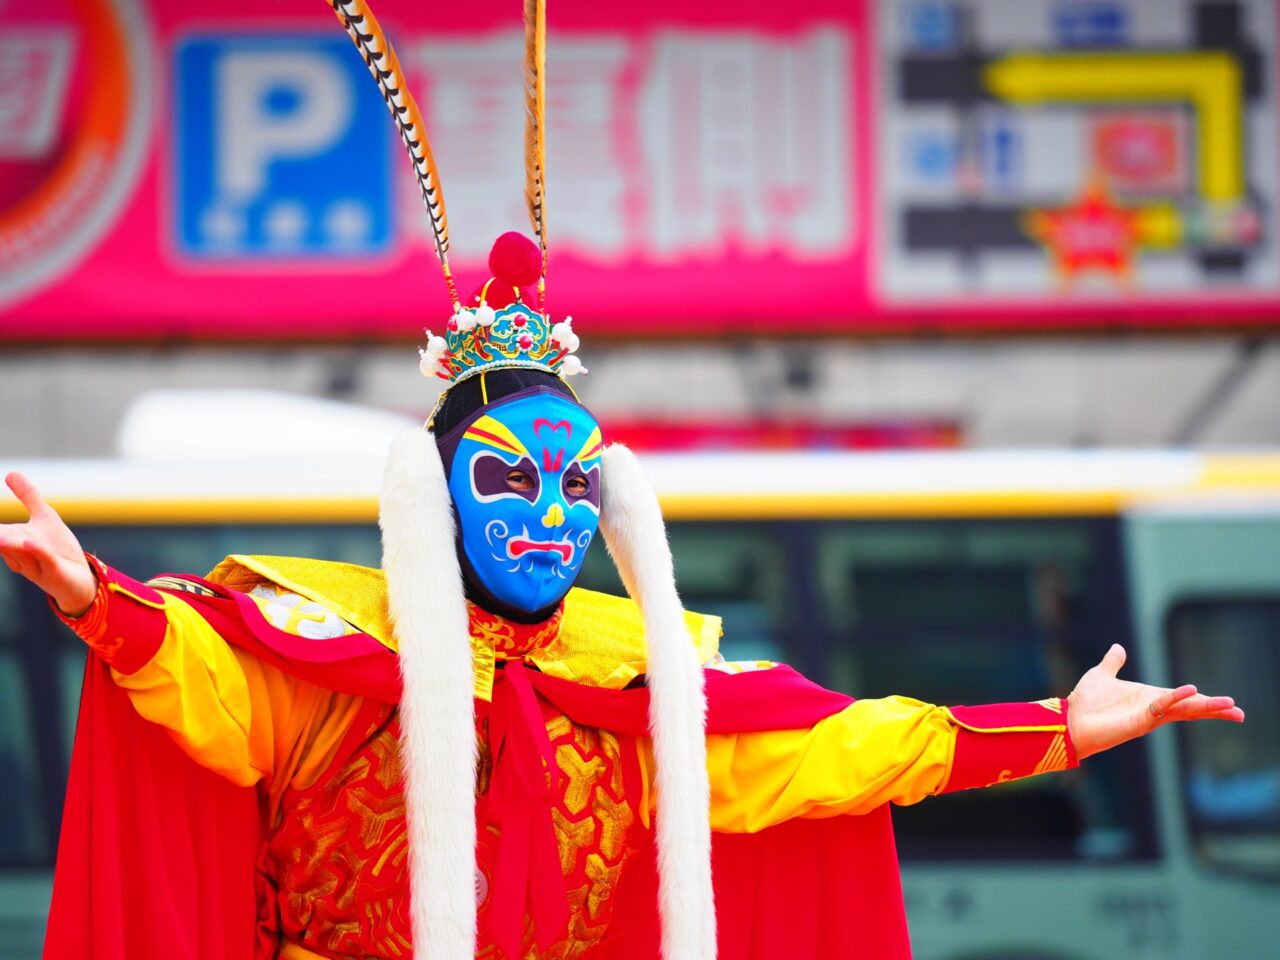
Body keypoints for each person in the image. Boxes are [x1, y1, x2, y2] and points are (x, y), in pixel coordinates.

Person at [5, 2, 1244, 957]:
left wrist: (1054, 731)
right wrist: (86, 595)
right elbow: (199, 675)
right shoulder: (332, 662)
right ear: (434, 498)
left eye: (575, 487)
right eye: (507, 481)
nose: (549, 519)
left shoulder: (642, 694)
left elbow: (849, 747)